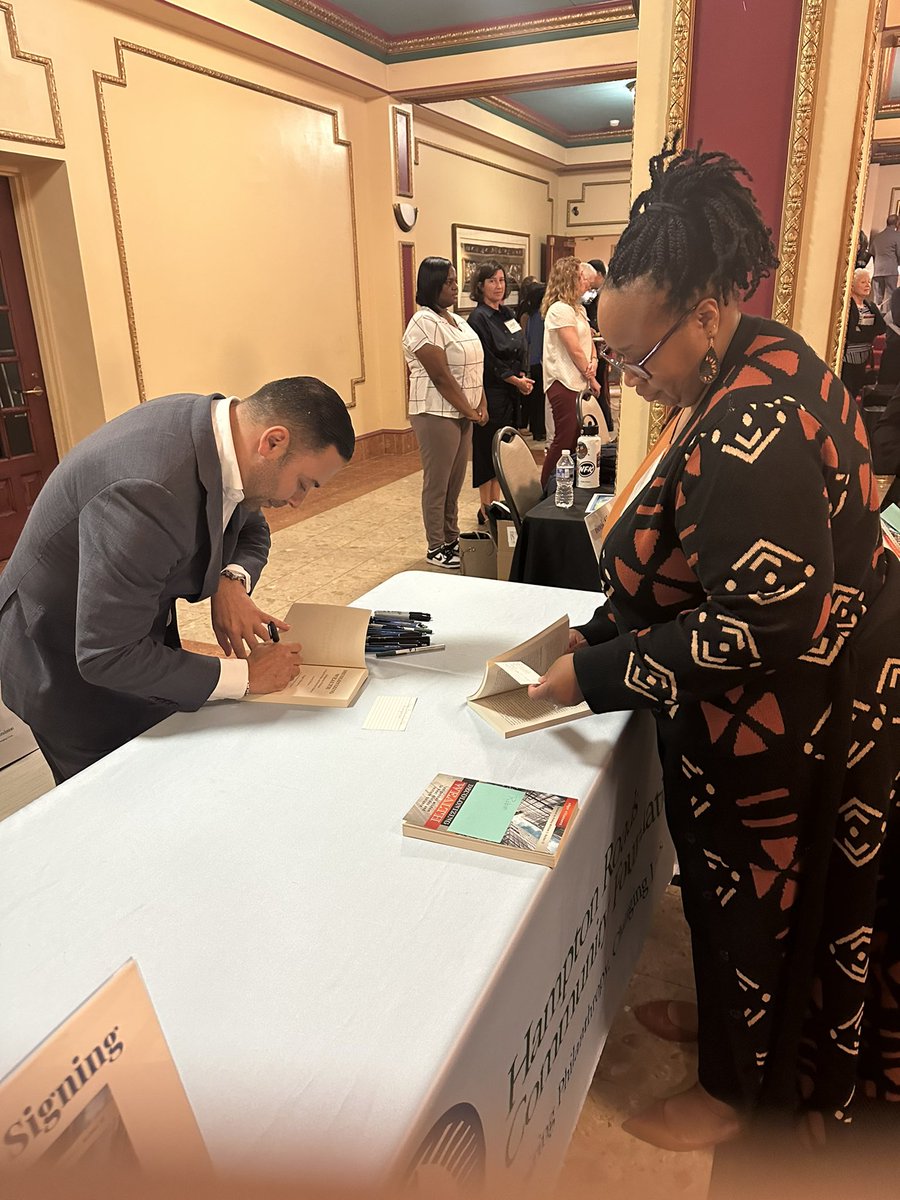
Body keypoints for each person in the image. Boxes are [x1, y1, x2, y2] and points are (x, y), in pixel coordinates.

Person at [529, 140, 900, 1151]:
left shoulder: (758, 422)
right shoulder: (751, 354)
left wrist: (596, 670)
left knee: (753, 902)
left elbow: (760, 620)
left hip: (788, 716)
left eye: (640, 358)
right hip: (793, 697)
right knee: (734, 900)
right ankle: (738, 1037)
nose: (632, 379)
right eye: (614, 358)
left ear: (702, 314)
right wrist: (610, 625)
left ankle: (739, 1090)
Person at [0, 376, 355, 782]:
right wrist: (246, 676)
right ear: (273, 442)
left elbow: (250, 525)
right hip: (60, 662)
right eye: (304, 483)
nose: (296, 502)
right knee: (116, 799)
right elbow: (106, 655)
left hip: (127, 635)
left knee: (166, 763)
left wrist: (230, 581)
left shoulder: (223, 436)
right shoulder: (147, 489)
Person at [403, 257, 487, 567]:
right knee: (438, 481)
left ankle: (451, 537)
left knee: (455, 480)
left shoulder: (454, 319)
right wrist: (470, 409)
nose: (455, 287)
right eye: (449, 282)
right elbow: (441, 377)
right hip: (435, 412)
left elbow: (472, 365)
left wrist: (481, 403)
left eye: (455, 281)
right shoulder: (422, 321)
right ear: (432, 284)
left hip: (463, 411)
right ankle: (435, 544)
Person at [467, 262, 533, 522]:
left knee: (504, 449)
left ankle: (498, 503)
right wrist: (514, 380)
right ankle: (486, 507)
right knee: (487, 448)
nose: (498, 286)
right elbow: (488, 358)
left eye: (502, 280)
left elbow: (522, 345)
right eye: (492, 281)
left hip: (513, 390)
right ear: (481, 286)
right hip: (492, 391)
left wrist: (524, 375)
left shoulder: (507, 313)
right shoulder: (478, 318)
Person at [539, 257, 601, 488]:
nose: (585, 282)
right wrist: (591, 375)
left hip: (580, 380)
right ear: (568, 279)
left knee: (576, 439)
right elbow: (574, 348)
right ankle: (546, 486)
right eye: (580, 277)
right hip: (563, 382)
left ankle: (566, 483)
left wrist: (593, 361)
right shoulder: (559, 310)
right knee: (563, 439)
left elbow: (589, 343)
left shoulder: (578, 309)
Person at [841, 268, 884, 398]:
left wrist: (861, 330)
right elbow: (851, 334)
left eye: (869, 282)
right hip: (848, 359)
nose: (867, 285)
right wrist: (869, 333)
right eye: (863, 282)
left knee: (855, 393)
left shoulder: (871, 306)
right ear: (852, 285)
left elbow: (881, 328)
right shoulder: (847, 306)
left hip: (864, 357)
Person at [518, 281, 547, 441]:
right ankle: (539, 431)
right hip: (540, 362)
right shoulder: (541, 317)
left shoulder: (529, 316)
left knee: (534, 400)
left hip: (532, 362)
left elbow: (527, 340)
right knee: (539, 401)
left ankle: (537, 431)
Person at [870, 214, 900, 311]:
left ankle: (876, 318)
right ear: (897, 223)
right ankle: (888, 320)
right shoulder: (897, 236)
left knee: (877, 297)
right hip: (890, 270)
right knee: (891, 296)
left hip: (878, 270)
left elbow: (871, 252)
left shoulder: (877, 237)